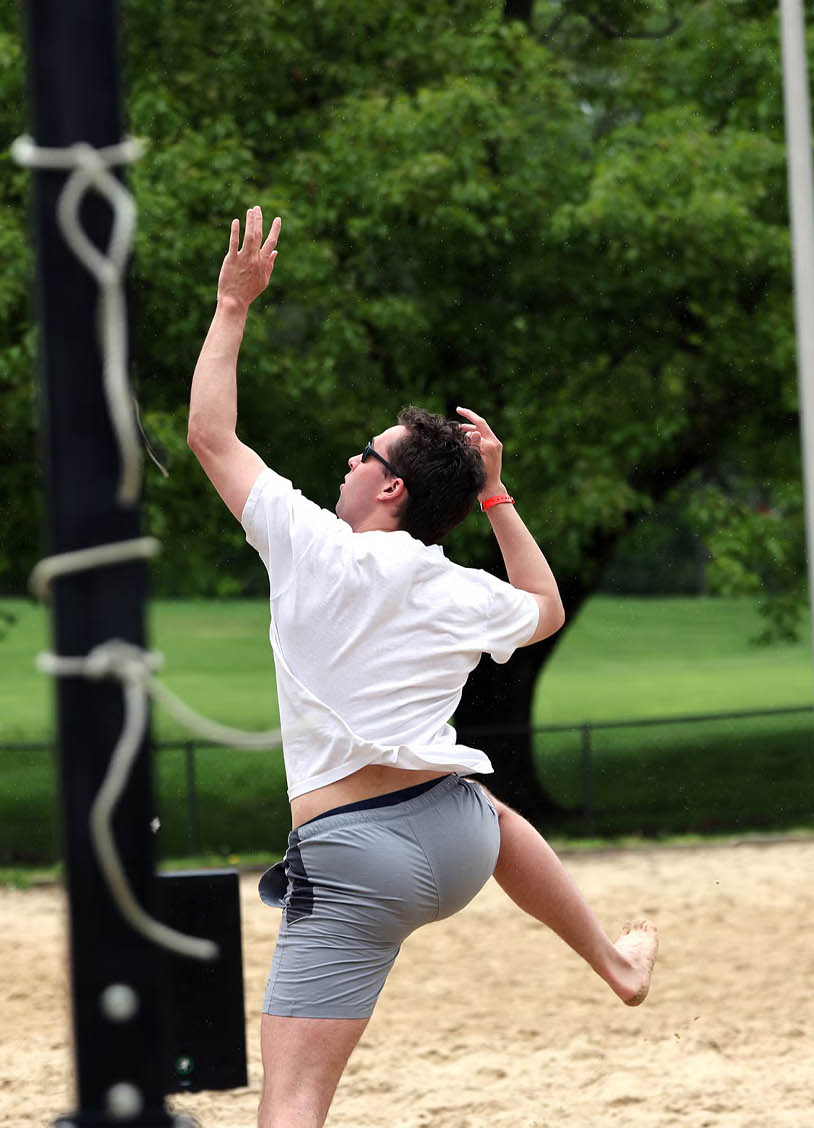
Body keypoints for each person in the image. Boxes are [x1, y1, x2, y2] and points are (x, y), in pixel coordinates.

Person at [186, 207, 660, 1128]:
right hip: (455, 847)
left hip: (358, 858)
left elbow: (210, 434)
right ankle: (612, 960)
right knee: (481, 797)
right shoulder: (460, 587)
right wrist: (495, 491)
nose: (352, 461)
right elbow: (548, 610)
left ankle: (613, 959)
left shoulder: (314, 547)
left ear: (391, 488)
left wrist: (232, 306)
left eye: (367, 454)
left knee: (289, 1103)